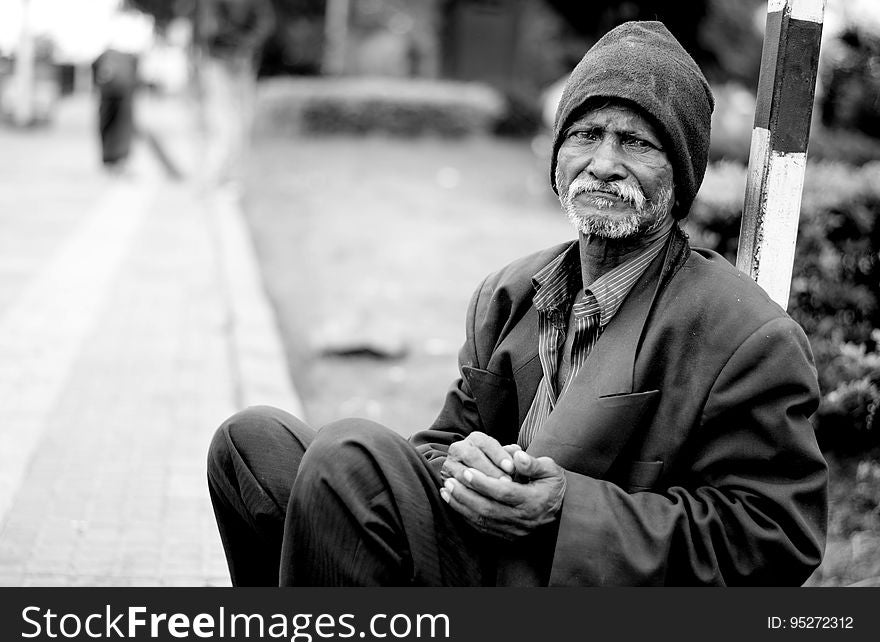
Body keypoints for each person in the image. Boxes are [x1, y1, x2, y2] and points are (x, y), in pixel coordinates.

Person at [207, 21, 828, 586]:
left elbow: (773, 540)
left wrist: (565, 511)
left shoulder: (747, 334)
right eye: (586, 134)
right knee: (250, 445)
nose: (604, 164)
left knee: (349, 459)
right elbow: (442, 440)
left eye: (638, 144)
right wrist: (458, 462)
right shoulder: (509, 295)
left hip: (576, 589)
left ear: (681, 173)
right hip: (475, 557)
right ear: (558, 155)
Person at [192, 0, 275, 189]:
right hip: (220, 63)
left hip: (240, 63)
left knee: (240, 123)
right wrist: (241, 47)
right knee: (224, 123)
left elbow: (266, 23)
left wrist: (243, 48)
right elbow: (210, 28)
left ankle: (225, 177)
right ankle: (214, 176)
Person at [92, 45, 139, 173]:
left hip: (117, 98)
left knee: (119, 130)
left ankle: (115, 160)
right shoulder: (124, 61)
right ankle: (114, 160)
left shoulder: (118, 60)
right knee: (117, 129)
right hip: (115, 98)